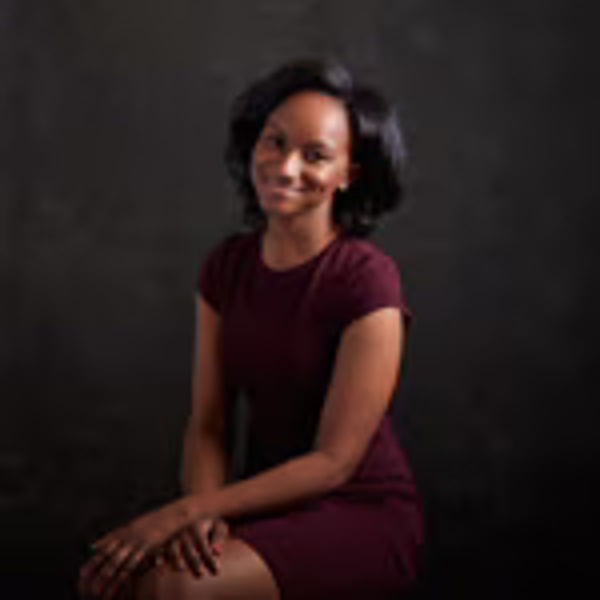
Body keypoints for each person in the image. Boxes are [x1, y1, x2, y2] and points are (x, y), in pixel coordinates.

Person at [78, 57, 424, 600]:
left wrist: (185, 512)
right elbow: (208, 423)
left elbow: (334, 464)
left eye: (315, 155)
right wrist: (202, 515)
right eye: (274, 142)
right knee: (113, 582)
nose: (285, 167)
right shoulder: (227, 267)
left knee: (177, 588)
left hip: (359, 511)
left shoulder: (368, 279)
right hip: (261, 503)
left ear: (348, 175)